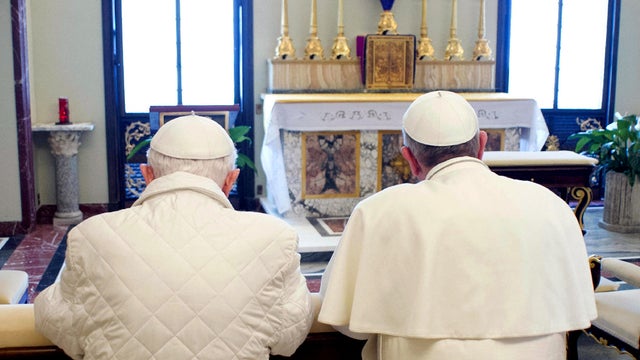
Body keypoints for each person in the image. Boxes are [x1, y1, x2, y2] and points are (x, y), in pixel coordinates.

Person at [317, 91, 597, 359]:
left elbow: (347, 323)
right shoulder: (550, 206)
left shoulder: (378, 211)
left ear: (410, 159)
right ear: (483, 145)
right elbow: (576, 312)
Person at [34, 114, 314, 359]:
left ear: (147, 175)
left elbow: (60, 324)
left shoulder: (90, 236)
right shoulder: (275, 238)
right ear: (231, 179)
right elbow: (289, 336)